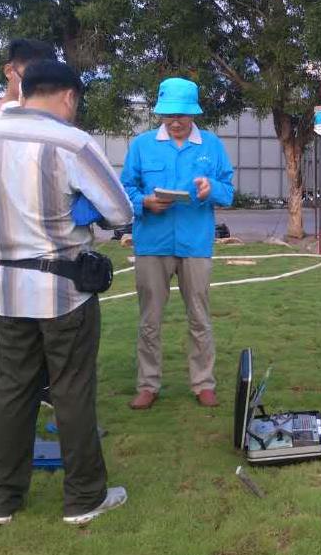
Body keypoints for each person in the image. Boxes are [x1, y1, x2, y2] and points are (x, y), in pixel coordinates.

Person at [0, 60, 133, 525]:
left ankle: (1, 500)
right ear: (69, 97)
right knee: (73, 390)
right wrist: (80, 210)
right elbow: (119, 211)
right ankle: (84, 499)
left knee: (12, 390)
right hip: (65, 290)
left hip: (8, 290)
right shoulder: (71, 141)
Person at [121, 77, 234, 410]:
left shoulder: (212, 146)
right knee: (149, 320)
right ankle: (148, 384)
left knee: (200, 316)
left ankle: (203, 383)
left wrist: (209, 188)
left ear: (194, 113)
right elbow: (125, 189)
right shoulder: (141, 145)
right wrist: (144, 203)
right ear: (160, 113)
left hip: (195, 244)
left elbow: (228, 191)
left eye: (182, 115)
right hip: (152, 243)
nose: (175, 121)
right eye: (168, 114)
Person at [0, 38, 58, 423]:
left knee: (48, 315)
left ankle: (46, 386)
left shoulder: (50, 121)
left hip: (43, 238)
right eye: (27, 74)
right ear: (9, 71)